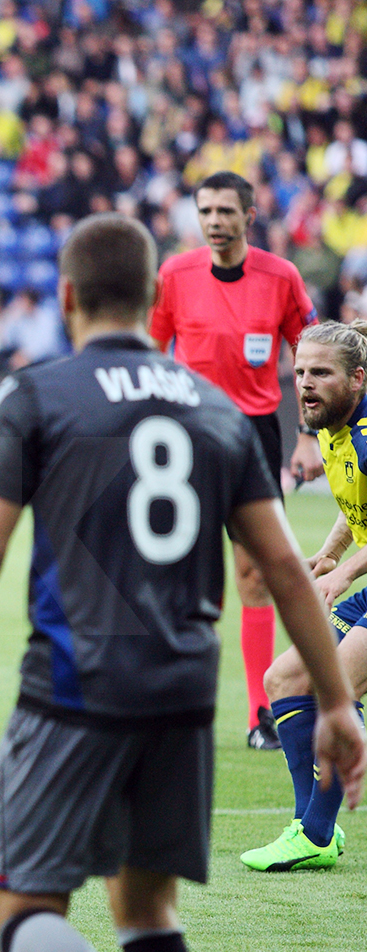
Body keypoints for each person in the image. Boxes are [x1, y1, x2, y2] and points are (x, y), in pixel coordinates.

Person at [0, 214, 364, 952]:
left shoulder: (37, 393)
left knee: (17, 908)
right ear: (158, 297)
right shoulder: (215, 409)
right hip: (184, 691)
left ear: (68, 296)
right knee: (149, 913)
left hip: (75, 685)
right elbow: (277, 561)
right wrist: (337, 704)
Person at [149, 171, 322, 750]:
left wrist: (306, 435)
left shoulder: (281, 277)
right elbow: (149, 349)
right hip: (186, 434)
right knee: (182, 575)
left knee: (254, 576)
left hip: (252, 436)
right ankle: (174, 706)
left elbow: (312, 349)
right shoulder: (174, 275)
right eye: (205, 210)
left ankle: (259, 716)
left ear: (250, 215)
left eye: (225, 210)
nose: (215, 220)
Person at [243, 320, 367, 871]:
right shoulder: (331, 427)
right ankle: (310, 828)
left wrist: (339, 578)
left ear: (357, 379)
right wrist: (331, 553)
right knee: (284, 680)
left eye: (320, 373)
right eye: (299, 372)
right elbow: (355, 505)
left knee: (336, 686)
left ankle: (316, 833)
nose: (306, 383)